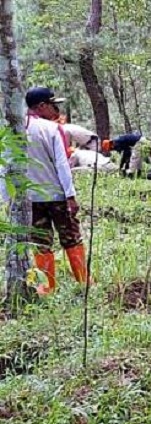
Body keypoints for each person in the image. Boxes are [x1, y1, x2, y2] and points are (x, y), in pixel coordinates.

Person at [23, 87, 89, 294]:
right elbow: (62, 164)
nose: (56, 109)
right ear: (41, 106)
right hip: (57, 195)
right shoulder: (51, 129)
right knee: (70, 236)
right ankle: (83, 280)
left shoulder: (14, 129)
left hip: (30, 197)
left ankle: (47, 286)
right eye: (53, 105)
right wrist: (70, 195)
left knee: (41, 242)